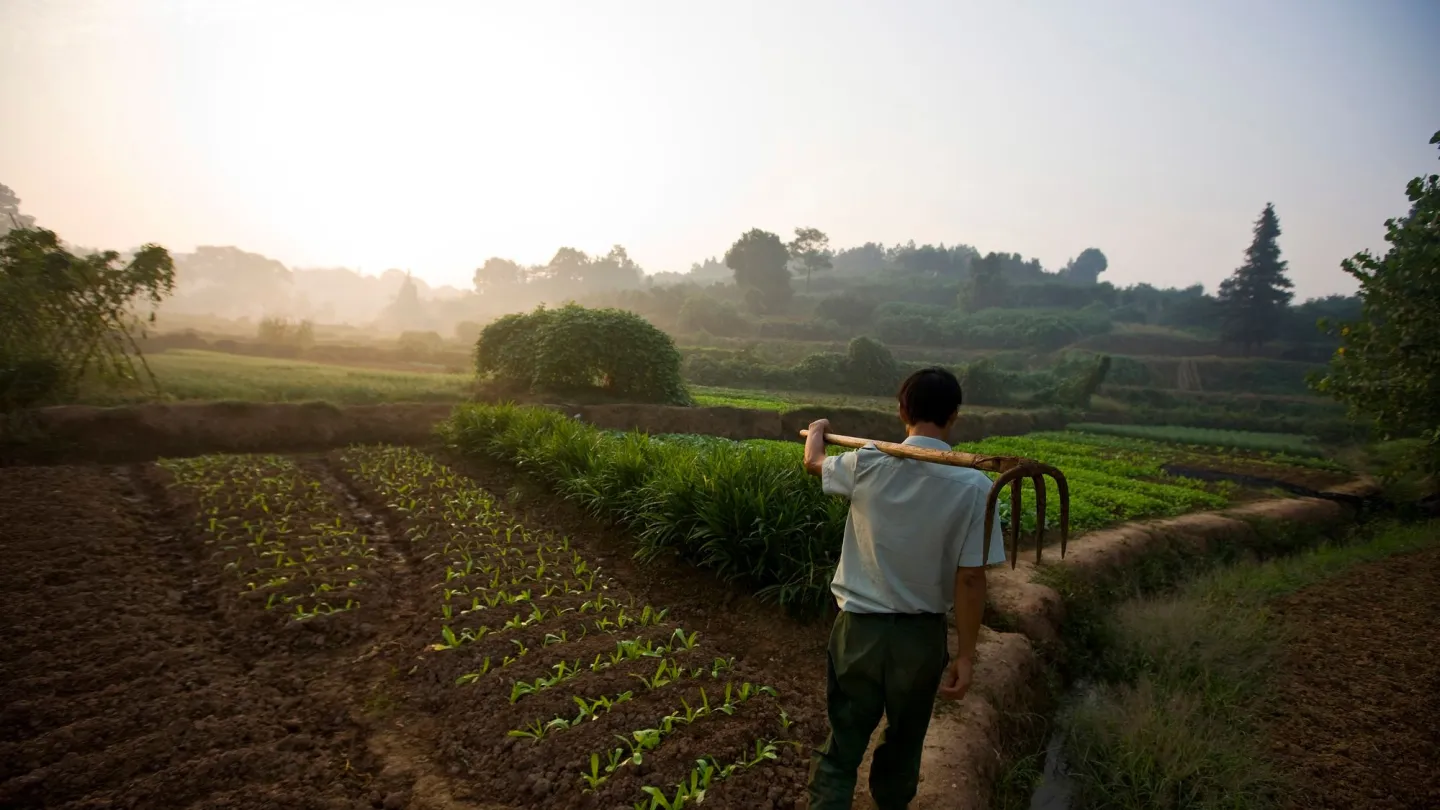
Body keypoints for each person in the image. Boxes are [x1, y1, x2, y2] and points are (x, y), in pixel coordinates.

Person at [802, 367, 1004, 810]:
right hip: (919, 640)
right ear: (954, 416)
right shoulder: (977, 487)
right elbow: (970, 578)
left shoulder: (867, 462)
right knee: (905, 742)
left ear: (901, 411)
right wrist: (966, 656)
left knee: (843, 747)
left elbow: (814, 462)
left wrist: (817, 429)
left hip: (859, 633)